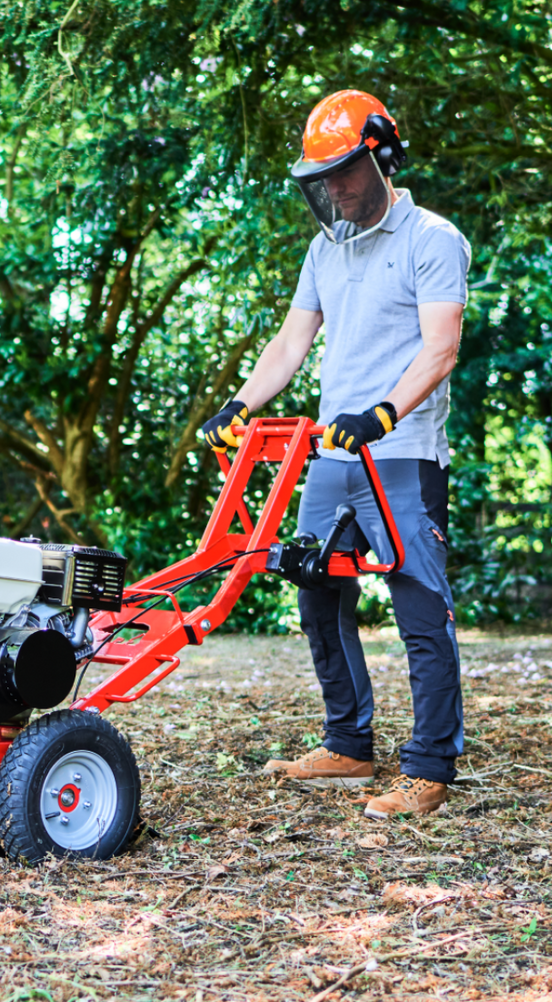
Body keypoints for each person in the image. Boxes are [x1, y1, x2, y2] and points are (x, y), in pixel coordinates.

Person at [201, 89, 471, 819]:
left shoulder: (432, 239)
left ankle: (429, 767)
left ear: (383, 158)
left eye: (346, 171)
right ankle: (349, 745)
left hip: (402, 454)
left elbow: (441, 348)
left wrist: (383, 413)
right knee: (315, 593)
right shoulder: (326, 248)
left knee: (421, 609)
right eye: (323, 177)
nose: (336, 188)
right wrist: (239, 404)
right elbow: (292, 341)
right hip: (332, 454)